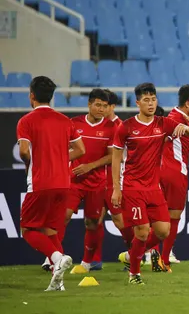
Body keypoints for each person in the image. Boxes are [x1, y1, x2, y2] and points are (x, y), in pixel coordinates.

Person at [111, 83, 189, 285]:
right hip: (133, 187)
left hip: (154, 188)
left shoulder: (163, 123)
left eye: (153, 99)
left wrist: (185, 128)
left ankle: (132, 254)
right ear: (138, 102)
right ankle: (135, 274)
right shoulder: (127, 126)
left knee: (163, 231)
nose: (150, 103)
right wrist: (116, 188)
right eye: (146, 100)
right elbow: (115, 157)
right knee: (141, 231)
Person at [17, 76, 85, 291]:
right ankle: (58, 283)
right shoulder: (66, 121)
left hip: (40, 183)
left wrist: (30, 163)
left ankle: (57, 258)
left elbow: (24, 150)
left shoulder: (26, 121)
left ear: (32, 96)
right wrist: (61, 159)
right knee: (49, 231)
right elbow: (81, 150)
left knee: (27, 229)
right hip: (63, 183)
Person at [65, 89, 116, 272]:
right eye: (97, 105)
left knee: (92, 222)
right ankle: (53, 258)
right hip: (74, 180)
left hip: (96, 182)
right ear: (89, 104)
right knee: (63, 216)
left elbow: (112, 157)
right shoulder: (74, 123)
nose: (101, 109)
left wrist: (90, 166)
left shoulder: (111, 127)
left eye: (104, 106)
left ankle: (87, 263)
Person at [157, 85, 189, 271]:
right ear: (188, 103)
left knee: (161, 217)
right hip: (174, 171)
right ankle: (164, 259)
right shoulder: (174, 121)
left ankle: (150, 254)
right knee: (173, 217)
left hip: (169, 170)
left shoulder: (179, 116)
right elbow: (162, 138)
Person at [102, 89, 134, 252]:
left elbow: (119, 156)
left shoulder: (120, 126)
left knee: (121, 220)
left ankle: (137, 253)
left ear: (112, 106)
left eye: (105, 105)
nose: (101, 109)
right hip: (98, 180)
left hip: (117, 178)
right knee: (93, 221)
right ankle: (92, 260)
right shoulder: (99, 124)